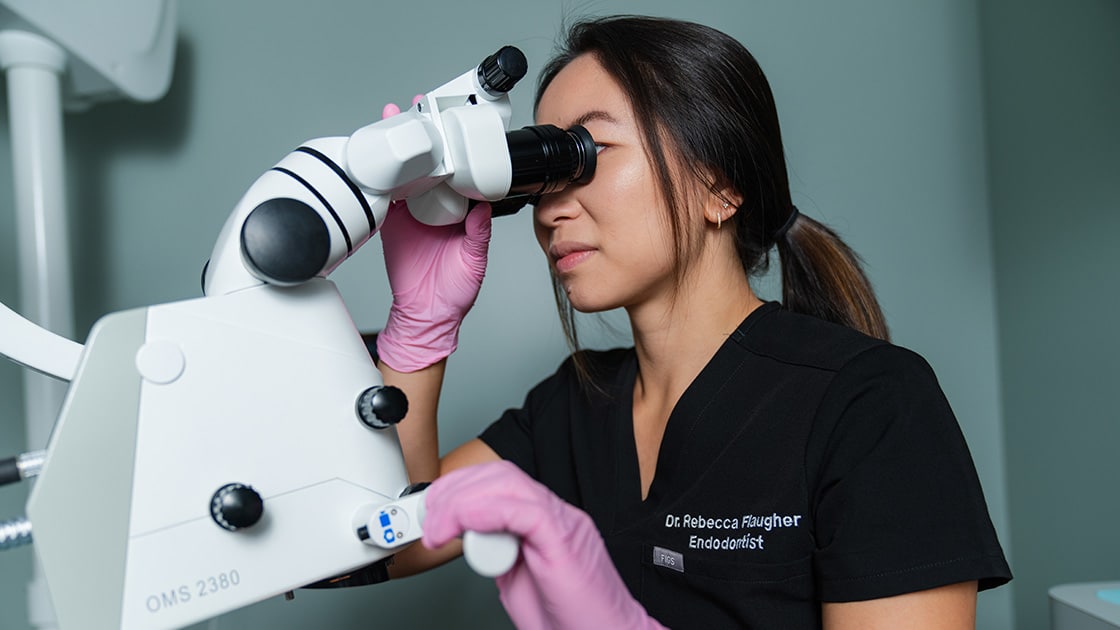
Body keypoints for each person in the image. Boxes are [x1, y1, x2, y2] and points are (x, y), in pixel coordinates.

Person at [375, 14, 1012, 629]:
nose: (551, 211)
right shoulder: (573, 407)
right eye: (543, 180)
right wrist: (419, 332)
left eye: (586, 155)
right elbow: (386, 540)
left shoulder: (870, 403)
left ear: (720, 186)